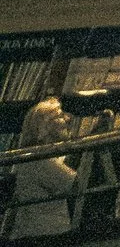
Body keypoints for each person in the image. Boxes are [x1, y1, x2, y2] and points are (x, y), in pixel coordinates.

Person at [9, 98, 83, 236]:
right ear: (45, 126)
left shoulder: (33, 157)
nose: (68, 118)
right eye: (60, 116)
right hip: (47, 233)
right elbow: (77, 184)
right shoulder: (40, 160)